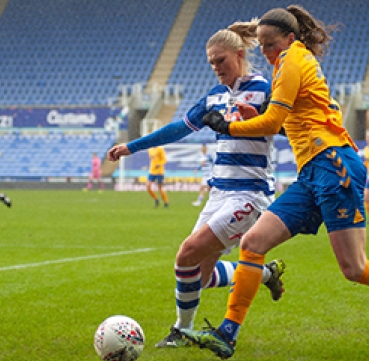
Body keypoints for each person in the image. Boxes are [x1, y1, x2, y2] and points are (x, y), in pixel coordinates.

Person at [184, 5, 369, 358]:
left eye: (271, 45)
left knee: (354, 268)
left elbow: (272, 123)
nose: (267, 53)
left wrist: (229, 126)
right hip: (312, 171)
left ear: (290, 39)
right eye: (262, 46)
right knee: (252, 242)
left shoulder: (293, 61)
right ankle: (227, 334)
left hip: (334, 166)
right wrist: (260, 117)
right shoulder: (289, 63)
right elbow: (289, 122)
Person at [107, 22, 286, 349]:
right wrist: (132, 146)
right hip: (219, 194)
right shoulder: (214, 97)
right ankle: (264, 274)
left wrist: (254, 119)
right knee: (197, 274)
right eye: (211, 63)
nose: (216, 68)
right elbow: (177, 129)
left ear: (239, 54)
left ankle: (181, 331)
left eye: (221, 60)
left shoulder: (264, 89)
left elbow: (288, 128)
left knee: (185, 253)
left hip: (250, 196)